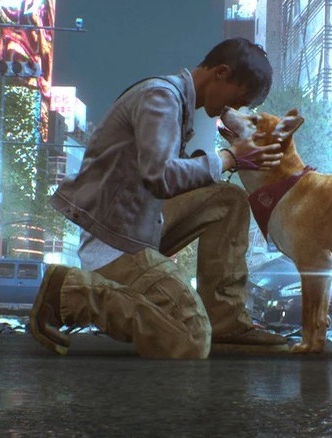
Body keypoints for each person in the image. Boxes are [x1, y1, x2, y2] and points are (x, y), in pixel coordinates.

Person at [29, 38, 286, 359]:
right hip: (114, 244)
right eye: (239, 99)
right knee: (191, 337)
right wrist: (228, 158)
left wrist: (236, 162)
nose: (233, 110)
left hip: (139, 226)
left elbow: (168, 180)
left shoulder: (174, 103)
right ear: (222, 73)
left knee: (228, 200)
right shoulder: (160, 98)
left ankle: (226, 320)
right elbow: (161, 176)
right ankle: (70, 291)